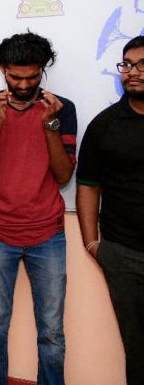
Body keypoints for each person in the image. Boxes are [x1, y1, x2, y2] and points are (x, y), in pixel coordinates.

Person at [0, 32, 76, 385]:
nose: (25, 85)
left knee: (52, 333)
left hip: (48, 234)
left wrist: (51, 124)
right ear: (2, 70)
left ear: (42, 70)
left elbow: (63, 176)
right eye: (16, 77)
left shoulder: (61, 109)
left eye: (33, 76)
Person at [76, 35, 144, 385]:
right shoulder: (104, 125)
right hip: (124, 254)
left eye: (142, 65)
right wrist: (92, 243)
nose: (133, 72)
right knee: (139, 350)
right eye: (127, 65)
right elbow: (88, 185)